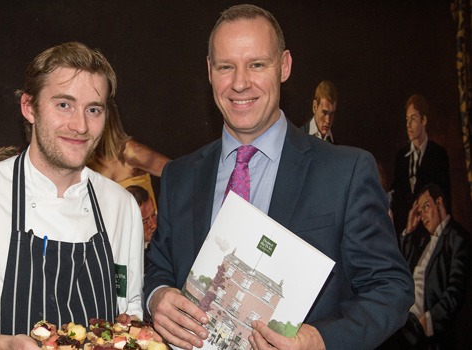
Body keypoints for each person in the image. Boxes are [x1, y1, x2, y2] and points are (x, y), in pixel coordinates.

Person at [143, 4, 414, 350]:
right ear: (210, 71)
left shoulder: (345, 173)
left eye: (257, 64)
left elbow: (391, 289)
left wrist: (318, 340)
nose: (240, 83)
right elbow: (159, 268)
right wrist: (158, 297)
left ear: (284, 66)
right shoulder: (178, 176)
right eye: (226, 67)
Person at [0, 42, 144, 349]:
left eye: (93, 110)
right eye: (64, 105)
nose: (80, 125)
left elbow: (129, 310)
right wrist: (2, 346)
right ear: (29, 107)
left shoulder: (121, 206)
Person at [382, 183, 471, 349]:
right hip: (405, 317)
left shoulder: (457, 238)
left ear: (439, 203)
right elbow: (400, 268)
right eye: (420, 211)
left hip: (422, 325)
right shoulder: (422, 241)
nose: (422, 215)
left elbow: (455, 292)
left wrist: (428, 321)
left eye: (426, 207)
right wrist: (408, 231)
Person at [86, 99, 170, 208]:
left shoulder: (132, 152)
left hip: (147, 224)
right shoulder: (80, 164)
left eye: (93, 111)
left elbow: (182, 174)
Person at [390, 94, 451, 236]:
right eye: (407, 119)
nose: (408, 125)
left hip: (432, 234)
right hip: (407, 235)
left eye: (413, 119)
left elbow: (445, 200)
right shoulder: (401, 157)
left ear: (424, 120)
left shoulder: (439, 154)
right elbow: (396, 198)